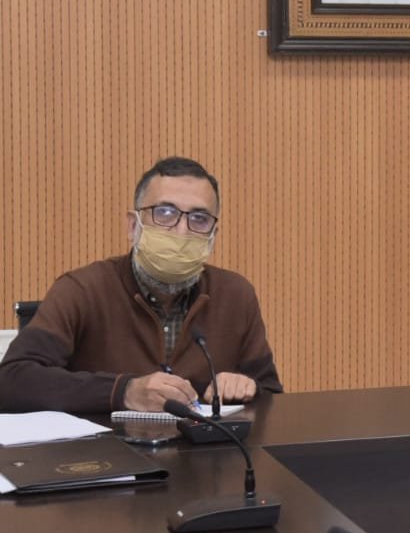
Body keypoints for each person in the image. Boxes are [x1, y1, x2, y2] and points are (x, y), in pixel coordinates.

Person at [0, 157, 282, 413]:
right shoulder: (82, 289)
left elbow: (273, 399)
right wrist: (123, 391)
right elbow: (11, 381)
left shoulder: (235, 295)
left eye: (199, 219)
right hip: (107, 451)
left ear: (213, 236)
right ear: (133, 226)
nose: (181, 231)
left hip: (206, 451)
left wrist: (247, 388)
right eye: (165, 213)